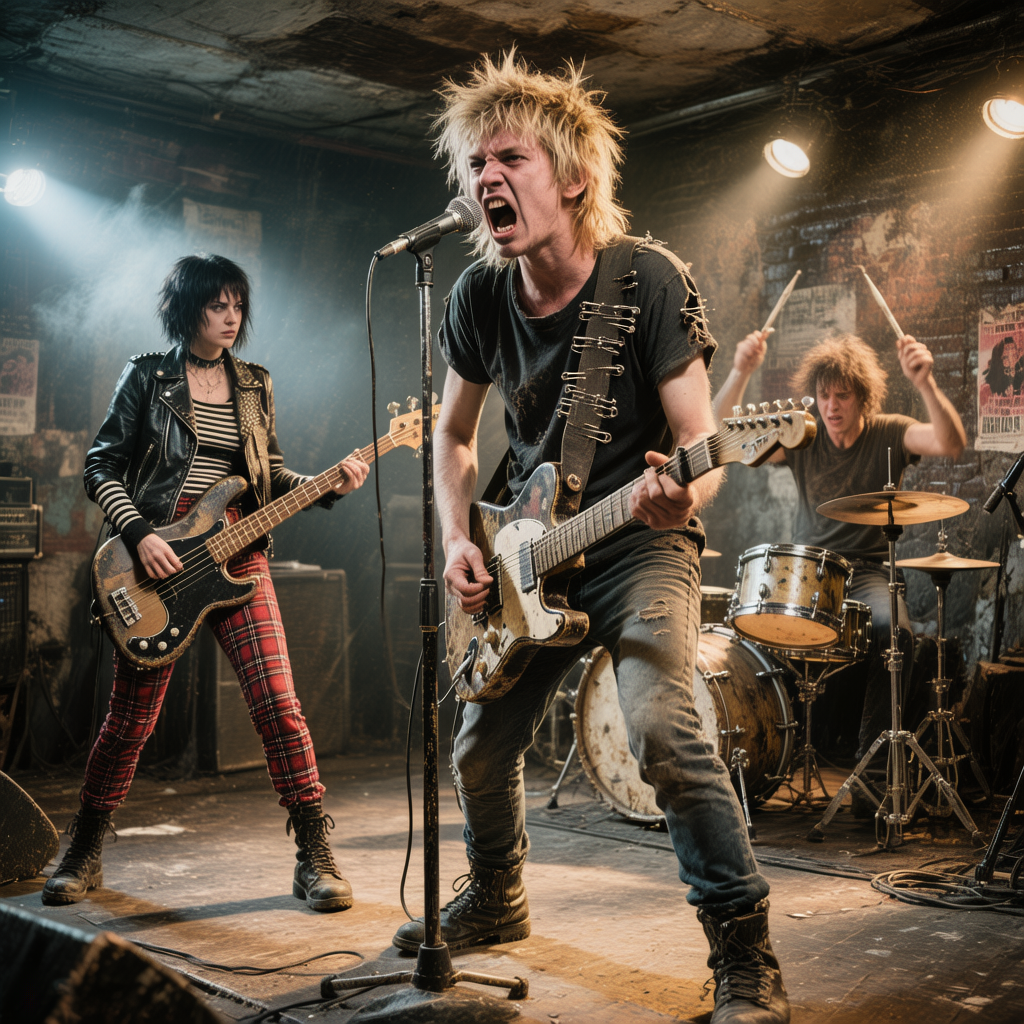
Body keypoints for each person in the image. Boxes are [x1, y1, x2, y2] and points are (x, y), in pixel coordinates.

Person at [391, 53, 790, 1024]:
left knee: (664, 729)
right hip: (526, 555)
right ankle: (497, 893)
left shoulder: (646, 279)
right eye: (475, 163)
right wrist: (457, 540)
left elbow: (701, 444)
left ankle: (744, 951)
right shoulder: (477, 296)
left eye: (510, 158)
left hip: (638, 543)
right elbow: (452, 437)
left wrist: (679, 494)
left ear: (571, 176)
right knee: (476, 749)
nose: (487, 177)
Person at [43, 254, 369, 912]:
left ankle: (314, 852)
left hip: (239, 554)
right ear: (188, 308)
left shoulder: (254, 384)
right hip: (157, 561)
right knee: (130, 721)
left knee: (278, 705)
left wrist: (325, 485)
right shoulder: (147, 376)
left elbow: (268, 476)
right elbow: (101, 466)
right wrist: (141, 533)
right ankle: (85, 846)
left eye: (238, 305)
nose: (231, 317)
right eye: (218, 305)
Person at [712, 329, 966, 777]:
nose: (831, 406)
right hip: (805, 571)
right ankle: (766, 760)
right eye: (824, 395)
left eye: (843, 395)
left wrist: (925, 382)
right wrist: (740, 370)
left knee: (896, 634)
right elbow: (718, 437)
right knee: (755, 631)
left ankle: (874, 772)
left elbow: (950, 443)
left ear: (863, 397)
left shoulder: (890, 431)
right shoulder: (803, 433)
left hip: (867, 571)